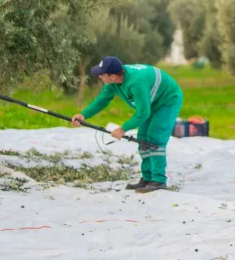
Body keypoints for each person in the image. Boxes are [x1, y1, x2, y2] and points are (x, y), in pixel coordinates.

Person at [72, 56, 184, 193]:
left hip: (167, 100)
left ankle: (159, 180)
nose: (99, 76)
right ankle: (147, 178)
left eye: (101, 74)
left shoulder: (136, 82)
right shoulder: (113, 82)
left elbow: (143, 113)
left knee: (155, 137)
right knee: (143, 137)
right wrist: (84, 115)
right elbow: (102, 100)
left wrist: (123, 129)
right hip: (151, 102)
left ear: (112, 76)